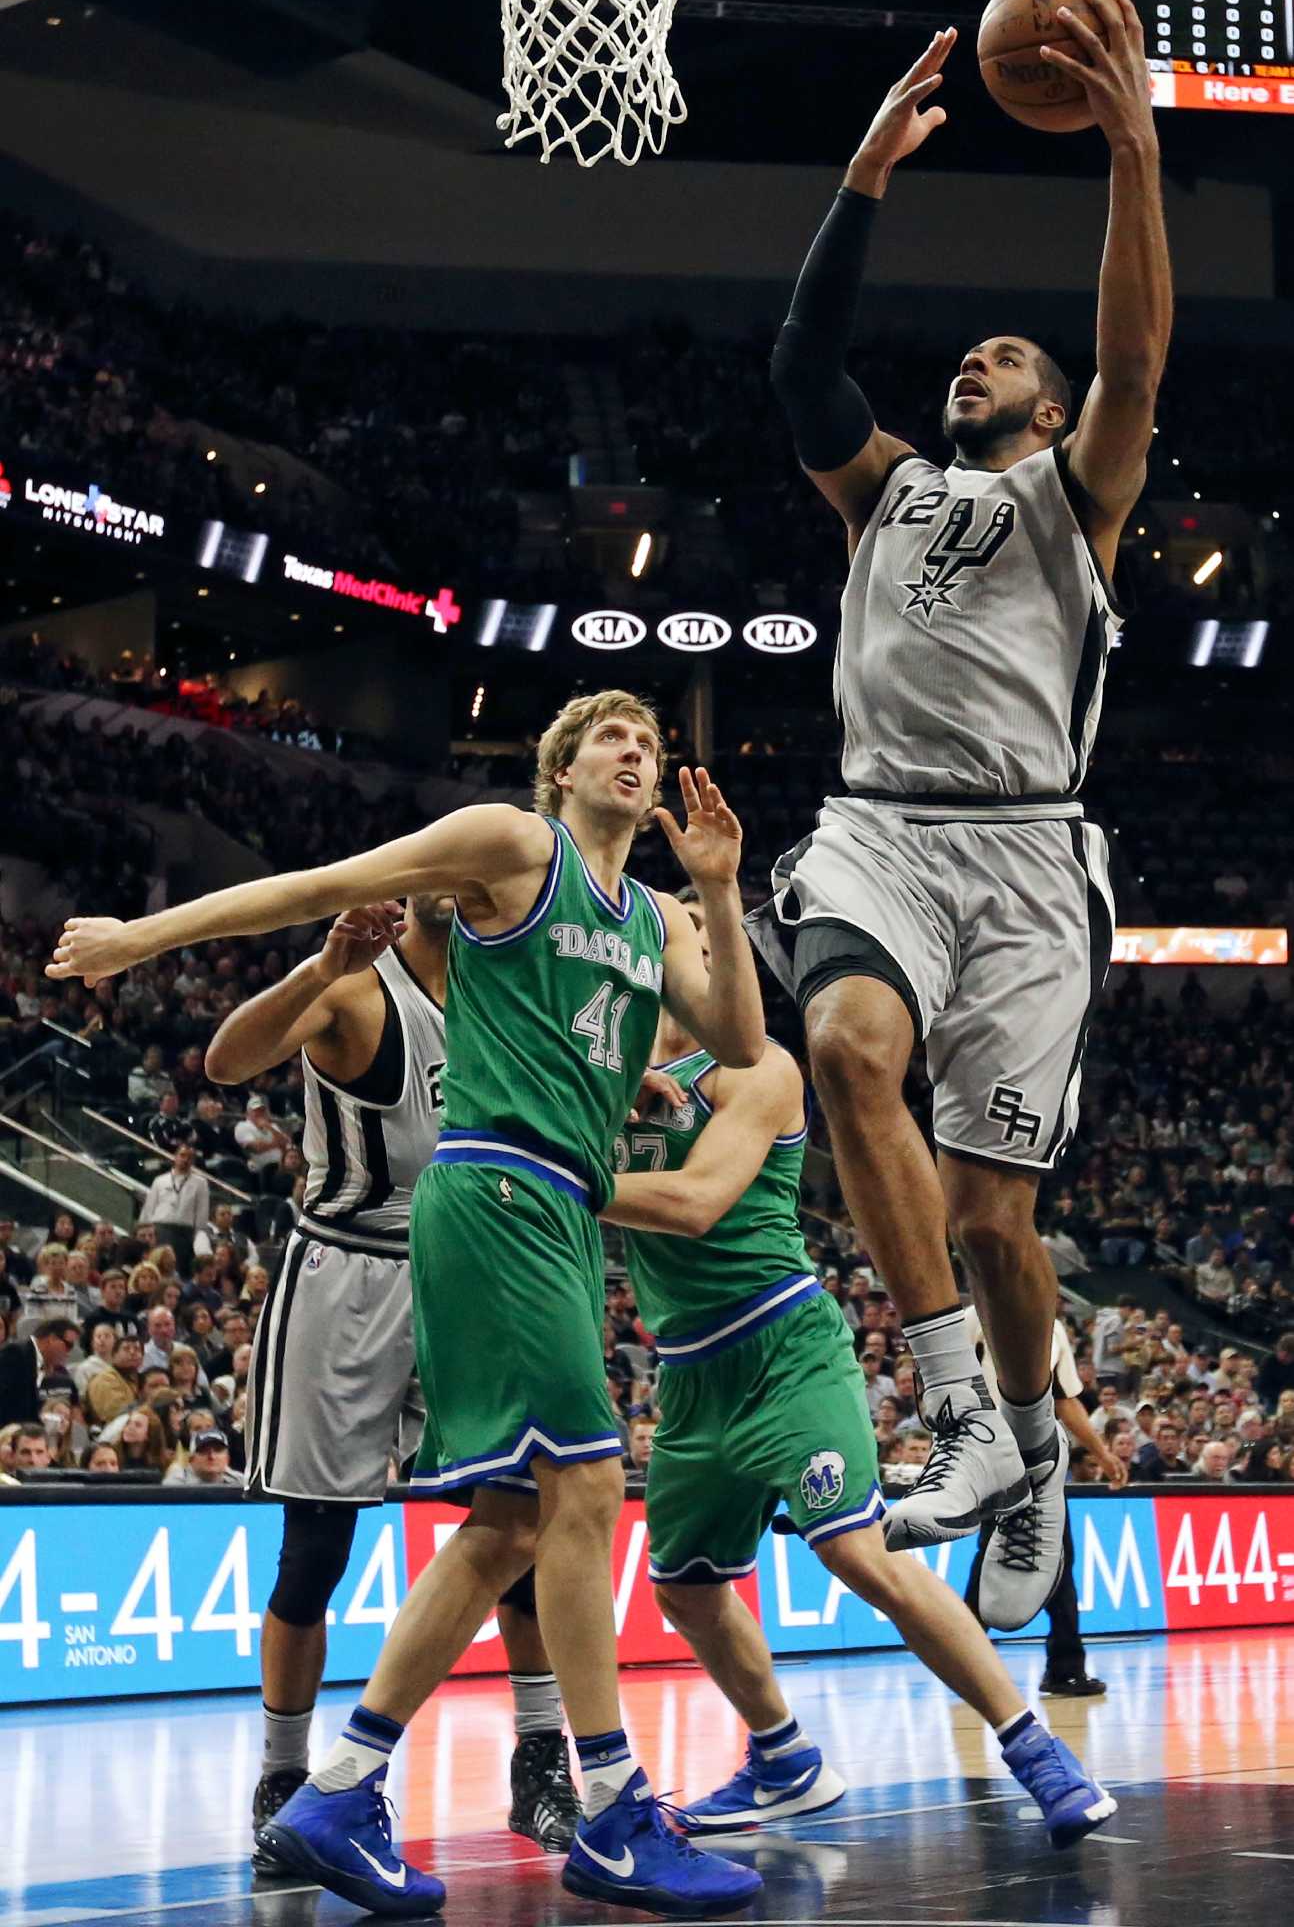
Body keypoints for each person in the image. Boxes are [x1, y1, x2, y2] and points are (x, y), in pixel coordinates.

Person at [47, 688, 767, 1920]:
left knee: (510, 1519)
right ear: (560, 770)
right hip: (489, 1190)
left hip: (554, 1206)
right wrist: (137, 939)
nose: (638, 752)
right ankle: (608, 1809)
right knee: (581, 1489)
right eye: (611, 736)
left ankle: (340, 1789)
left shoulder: (650, 912)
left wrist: (715, 891)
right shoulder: (511, 845)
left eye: (651, 742)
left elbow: (743, 1039)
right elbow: (317, 881)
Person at [750, 0, 1171, 1630]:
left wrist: (1128, 144)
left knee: (997, 1216)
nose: (970, 360)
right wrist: (864, 171)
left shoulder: (1072, 496)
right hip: (873, 825)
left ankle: (1029, 1452)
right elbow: (798, 365)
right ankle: (951, 1420)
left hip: (1025, 854)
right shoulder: (883, 493)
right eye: (967, 353)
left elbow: (1130, 354)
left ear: (1051, 414)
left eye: (1004, 357)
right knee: (845, 1049)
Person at [599, 892, 1116, 1849]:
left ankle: (1038, 1751)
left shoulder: (756, 1065)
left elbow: (698, 1201)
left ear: (703, 949)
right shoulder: (610, 1067)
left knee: (855, 1550)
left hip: (784, 1344)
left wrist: (566, 1174)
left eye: (664, 918)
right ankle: (784, 1759)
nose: (636, 927)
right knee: (685, 1588)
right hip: (691, 1372)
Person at [203, 894, 582, 1866]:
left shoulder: (505, 993)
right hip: (347, 1268)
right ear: (414, 886)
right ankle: (285, 1773)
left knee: (518, 1526)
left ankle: (539, 1761)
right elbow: (224, 1060)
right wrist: (318, 965)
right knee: (315, 1550)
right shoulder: (358, 990)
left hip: (465, 1262)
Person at [963, 1306, 1123, 1697]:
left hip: (1042, 1460)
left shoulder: (1052, 1329)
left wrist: (1102, 1453)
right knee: (1002, 1554)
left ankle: (1053, 1666)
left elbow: (1064, 1399)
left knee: (1046, 1557)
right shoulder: (972, 1320)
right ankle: (972, 1656)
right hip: (994, 1454)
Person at [0, 1318, 79, 1425]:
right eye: (68, 1345)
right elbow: (8, 1404)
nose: (68, 1353)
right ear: (52, 1339)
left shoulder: (39, 1362)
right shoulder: (16, 1353)